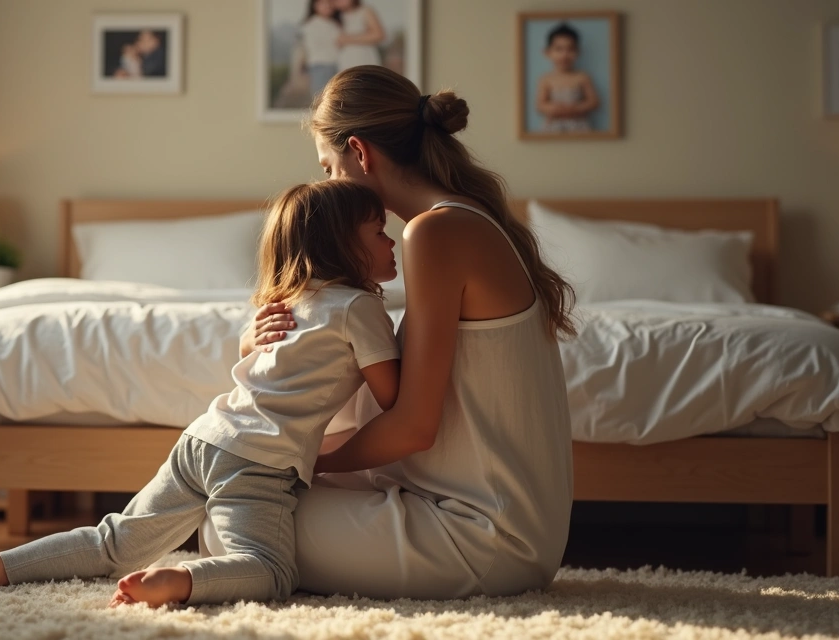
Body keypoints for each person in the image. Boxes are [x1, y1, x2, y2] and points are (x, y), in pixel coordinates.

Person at [0, 180, 403, 607]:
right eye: (378, 232)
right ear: (342, 245)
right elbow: (394, 398)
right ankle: (180, 580)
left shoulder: (287, 300)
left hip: (204, 438)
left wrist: (246, 339)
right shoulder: (359, 307)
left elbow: (262, 357)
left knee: (112, 541)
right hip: (258, 461)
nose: (392, 241)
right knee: (271, 571)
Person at [213, 64, 578, 599]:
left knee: (224, 520)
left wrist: (302, 461)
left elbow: (411, 429)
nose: (329, 185)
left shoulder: (437, 232)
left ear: (359, 153)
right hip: (496, 520)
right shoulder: (462, 220)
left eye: (329, 167)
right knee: (239, 490)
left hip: (482, 538)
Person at [534, 23, 599, 133]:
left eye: (570, 49)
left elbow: (593, 102)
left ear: (578, 52)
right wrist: (555, 109)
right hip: (553, 126)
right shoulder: (546, 79)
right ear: (548, 52)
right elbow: (540, 105)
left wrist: (576, 108)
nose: (565, 54)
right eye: (559, 49)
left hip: (579, 126)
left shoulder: (582, 77)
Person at [300, 0, 343, 96]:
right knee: (321, 97)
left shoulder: (334, 24)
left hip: (335, 65)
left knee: (334, 97)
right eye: (323, 3)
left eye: (329, 3)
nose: (327, 6)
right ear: (314, 5)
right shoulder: (311, 24)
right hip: (319, 65)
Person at [334, 0, 383, 71]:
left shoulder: (364, 10)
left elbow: (379, 34)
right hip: (344, 62)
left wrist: (348, 39)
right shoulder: (335, 16)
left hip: (363, 59)